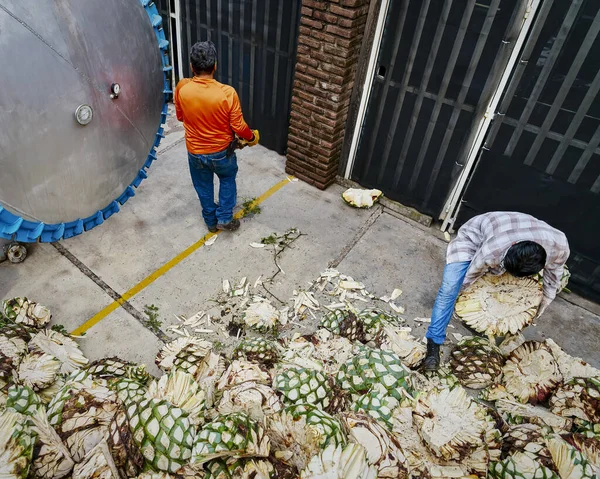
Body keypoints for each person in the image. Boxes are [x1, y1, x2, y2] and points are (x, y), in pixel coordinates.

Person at [423, 211, 570, 371]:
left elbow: (554, 274)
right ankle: (434, 343)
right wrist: (460, 301)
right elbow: (469, 278)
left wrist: (546, 299)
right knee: (449, 289)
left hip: (512, 232)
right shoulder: (491, 251)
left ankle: (484, 326)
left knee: (511, 291)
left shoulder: (559, 247)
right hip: (475, 237)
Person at [174, 41, 259, 232]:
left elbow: (180, 116)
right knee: (227, 179)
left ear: (191, 66)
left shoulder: (182, 87)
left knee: (203, 186)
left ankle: (211, 221)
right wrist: (251, 137)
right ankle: (225, 218)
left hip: (195, 152)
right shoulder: (227, 93)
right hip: (222, 153)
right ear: (215, 65)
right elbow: (239, 126)